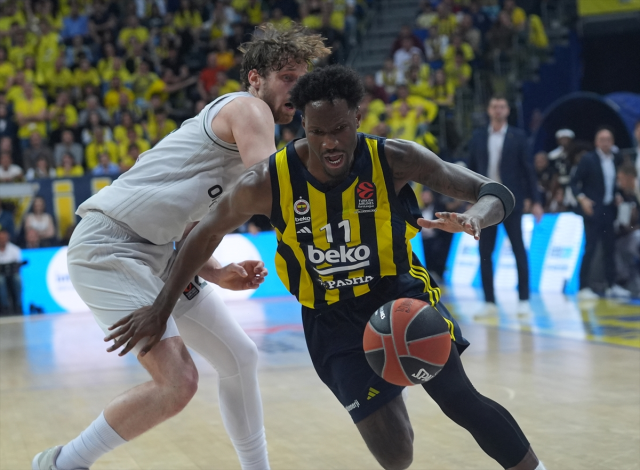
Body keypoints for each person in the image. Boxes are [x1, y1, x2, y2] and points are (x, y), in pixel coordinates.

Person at [107, 65, 546, 470]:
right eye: (318, 132)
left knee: (458, 398)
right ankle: (384, 383)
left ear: (357, 117)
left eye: (339, 129)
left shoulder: (394, 158)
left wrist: (475, 218)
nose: (330, 143)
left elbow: (494, 192)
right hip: (330, 320)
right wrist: (161, 308)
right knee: (397, 454)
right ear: (303, 126)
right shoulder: (268, 181)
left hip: (399, 297)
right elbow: (202, 235)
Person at [32, 23, 330, 470]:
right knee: (178, 382)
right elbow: (276, 189)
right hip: (109, 246)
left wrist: (214, 271)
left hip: (157, 252)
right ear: (255, 78)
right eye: (288, 77)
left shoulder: (246, 130)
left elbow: (192, 224)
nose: (298, 88)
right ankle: (62, 463)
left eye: (303, 79)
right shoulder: (250, 110)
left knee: (240, 357)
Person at [467, 96, 543, 315]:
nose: (498, 110)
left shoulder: (518, 136)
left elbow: (528, 170)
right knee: (485, 252)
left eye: (501, 107)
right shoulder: (479, 136)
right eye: (494, 106)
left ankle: (524, 300)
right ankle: (489, 302)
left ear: (508, 110)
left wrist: (536, 201)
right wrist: (468, 201)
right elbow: (469, 170)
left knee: (519, 249)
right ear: (489, 110)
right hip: (485, 202)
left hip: (511, 201)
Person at [571, 127, 630, 299]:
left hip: (609, 209)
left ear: (613, 142)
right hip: (593, 209)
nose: (605, 143)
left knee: (609, 248)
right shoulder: (588, 159)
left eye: (608, 139)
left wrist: (618, 195)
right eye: (602, 139)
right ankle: (583, 287)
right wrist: (583, 199)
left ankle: (611, 284)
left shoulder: (616, 159)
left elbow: (615, 184)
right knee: (590, 247)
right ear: (596, 142)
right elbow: (574, 183)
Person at [0, 229, 22, 315]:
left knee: (17, 279)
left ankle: (18, 305)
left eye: (4, 238)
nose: (2, 240)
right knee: (1, 281)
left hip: (12, 274)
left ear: (8, 238)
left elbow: (18, 266)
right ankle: (5, 307)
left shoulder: (15, 249)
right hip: (1, 275)